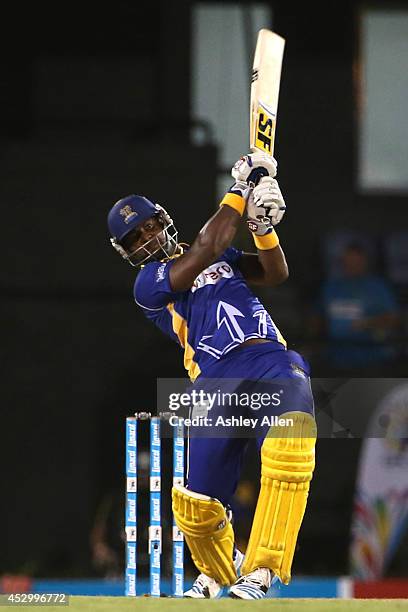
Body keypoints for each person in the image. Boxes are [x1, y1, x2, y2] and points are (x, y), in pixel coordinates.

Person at [107, 153, 317, 599]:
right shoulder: (150, 283)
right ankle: (222, 571)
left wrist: (263, 229)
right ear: (128, 251)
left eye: (149, 226)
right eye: (136, 236)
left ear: (163, 221)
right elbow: (209, 247)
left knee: (289, 453)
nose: (148, 238)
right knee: (197, 509)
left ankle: (261, 570)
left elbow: (275, 272)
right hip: (214, 382)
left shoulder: (219, 253)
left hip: (266, 359)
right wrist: (239, 189)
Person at [311, 241, 399, 373]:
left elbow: (394, 319)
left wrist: (367, 323)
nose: (352, 265)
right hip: (336, 359)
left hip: (372, 359)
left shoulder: (378, 287)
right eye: (348, 261)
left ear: (365, 262)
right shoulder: (331, 287)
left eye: (356, 261)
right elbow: (317, 318)